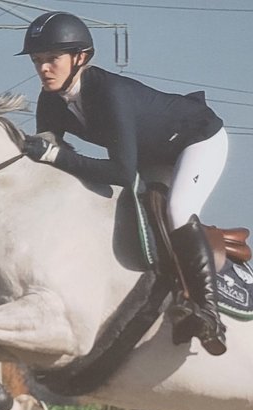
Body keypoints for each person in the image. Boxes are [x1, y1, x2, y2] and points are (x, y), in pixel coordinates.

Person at [18, 10, 229, 355]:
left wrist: (53, 156)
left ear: (80, 57)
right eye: (37, 60)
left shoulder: (109, 93)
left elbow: (120, 173)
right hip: (151, 154)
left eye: (52, 59)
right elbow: (48, 158)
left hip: (197, 140)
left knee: (178, 209)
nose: (43, 68)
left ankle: (208, 314)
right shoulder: (50, 100)